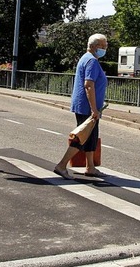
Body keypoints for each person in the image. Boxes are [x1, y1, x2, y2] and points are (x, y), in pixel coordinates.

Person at [54, 33, 108, 179]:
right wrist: (94, 109)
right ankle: (61, 165)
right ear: (95, 46)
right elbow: (89, 86)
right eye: (103, 46)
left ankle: (90, 167)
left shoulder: (86, 58)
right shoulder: (91, 61)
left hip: (84, 105)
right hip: (87, 107)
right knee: (82, 137)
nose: (105, 48)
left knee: (91, 137)